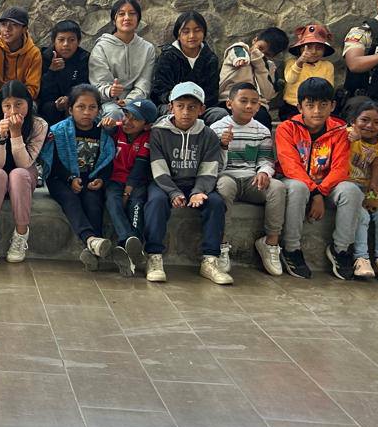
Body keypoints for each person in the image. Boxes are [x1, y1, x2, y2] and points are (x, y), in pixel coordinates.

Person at [275, 77, 363, 280]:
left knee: (351, 191)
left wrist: (321, 192)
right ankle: (291, 248)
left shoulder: (340, 130)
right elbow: (291, 166)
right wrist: (315, 193)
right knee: (298, 188)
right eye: (310, 105)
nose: (317, 111)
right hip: (295, 181)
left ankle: (340, 250)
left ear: (332, 106)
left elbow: (340, 169)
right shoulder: (286, 128)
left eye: (323, 104)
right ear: (300, 107)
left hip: (327, 184)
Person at [144, 81, 230, 285]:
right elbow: (158, 167)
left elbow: (209, 168)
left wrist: (198, 191)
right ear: (170, 107)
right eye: (180, 106)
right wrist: (173, 192)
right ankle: (154, 256)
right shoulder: (158, 132)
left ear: (201, 109)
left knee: (216, 203)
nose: (185, 112)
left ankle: (210, 259)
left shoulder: (208, 134)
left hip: (196, 183)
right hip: (165, 182)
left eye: (192, 107)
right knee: (156, 202)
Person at [211, 82, 286, 278]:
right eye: (243, 101)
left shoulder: (261, 131)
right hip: (227, 176)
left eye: (254, 102)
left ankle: (270, 243)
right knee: (224, 185)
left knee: (277, 187)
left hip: (252, 180)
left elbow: (266, 159)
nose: (249, 106)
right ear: (230, 103)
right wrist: (222, 146)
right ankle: (221, 244)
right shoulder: (216, 129)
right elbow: (213, 166)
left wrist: (264, 172)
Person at [41, 83, 115, 271]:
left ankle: (93, 250)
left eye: (92, 107)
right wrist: (69, 178)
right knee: (70, 199)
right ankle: (91, 239)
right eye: (81, 107)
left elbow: (107, 160)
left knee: (93, 201)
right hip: (60, 179)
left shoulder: (103, 132)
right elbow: (53, 163)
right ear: (70, 109)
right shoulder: (58, 131)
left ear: (99, 110)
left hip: (90, 179)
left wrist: (101, 179)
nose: (87, 112)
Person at [0, 79, 48, 265]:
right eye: (7, 106)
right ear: (0, 107)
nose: (13, 111)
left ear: (28, 103)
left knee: (18, 174)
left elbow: (24, 163)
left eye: (19, 104)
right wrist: (1, 137)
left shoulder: (39, 125)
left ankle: (21, 235)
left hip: (23, 174)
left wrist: (16, 134)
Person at [104, 98, 156, 277]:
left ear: (147, 125)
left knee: (136, 205)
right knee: (113, 202)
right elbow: (105, 130)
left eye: (135, 119)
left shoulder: (147, 137)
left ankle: (127, 246)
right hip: (114, 180)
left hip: (136, 182)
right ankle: (129, 239)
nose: (127, 121)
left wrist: (128, 190)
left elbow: (140, 165)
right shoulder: (117, 129)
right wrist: (107, 125)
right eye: (126, 115)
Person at [344, 99, 378, 279]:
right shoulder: (347, 135)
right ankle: (361, 258)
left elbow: (377, 166)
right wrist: (350, 137)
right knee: (362, 216)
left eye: (377, 122)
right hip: (348, 186)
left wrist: (375, 186)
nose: (370, 126)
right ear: (353, 121)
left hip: (367, 187)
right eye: (364, 120)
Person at [90, 0, 156, 121]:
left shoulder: (147, 49)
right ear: (114, 21)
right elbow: (98, 84)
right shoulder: (101, 47)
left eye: (132, 14)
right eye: (121, 14)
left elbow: (144, 83)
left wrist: (128, 101)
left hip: (137, 102)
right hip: (109, 102)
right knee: (115, 113)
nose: (127, 18)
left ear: (138, 19)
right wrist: (110, 91)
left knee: (149, 112)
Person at [215, 26, 288, 127]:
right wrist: (241, 59)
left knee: (263, 118)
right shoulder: (240, 50)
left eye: (266, 54)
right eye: (260, 48)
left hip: (256, 106)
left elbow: (268, 94)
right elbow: (237, 54)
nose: (260, 54)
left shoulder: (270, 68)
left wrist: (260, 64)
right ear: (255, 40)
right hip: (229, 100)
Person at [151, 11, 219, 111]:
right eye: (186, 32)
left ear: (204, 33)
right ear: (178, 35)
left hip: (201, 108)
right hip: (173, 106)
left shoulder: (210, 59)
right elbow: (160, 90)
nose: (192, 36)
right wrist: (180, 103)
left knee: (219, 113)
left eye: (197, 31)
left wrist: (195, 107)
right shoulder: (168, 57)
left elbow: (212, 93)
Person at [0, 6, 42, 100]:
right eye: (3, 24)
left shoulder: (34, 53)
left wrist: (14, 100)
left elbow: (33, 88)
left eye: (14, 25)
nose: (7, 29)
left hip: (21, 98)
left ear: (24, 29)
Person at [37, 19, 89, 126]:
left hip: (74, 101)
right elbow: (41, 91)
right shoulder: (44, 57)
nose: (66, 44)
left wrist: (70, 98)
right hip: (49, 104)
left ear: (78, 41)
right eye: (61, 40)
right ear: (54, 41)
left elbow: (84, 85)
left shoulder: (83, 58)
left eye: (71, 40)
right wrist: (51, 71)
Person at [279, 23, 336, 120]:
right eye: (308, 47)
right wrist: (299, 62)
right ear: (300, 49)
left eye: (319, 48)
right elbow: (290, 79)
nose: (313, 51)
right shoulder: (292, 62)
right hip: (293, 106)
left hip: (317, 108)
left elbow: (328, 89)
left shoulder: (327, 66)